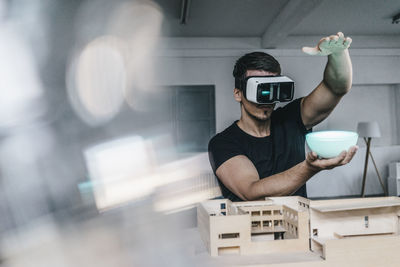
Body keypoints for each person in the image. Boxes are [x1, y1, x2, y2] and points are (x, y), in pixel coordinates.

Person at [208, 32, 358, 201]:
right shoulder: (224, 143)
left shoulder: (292, 119)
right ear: (238, 94)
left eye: (271, 88)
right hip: (250, 227)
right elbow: (251, 191)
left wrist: (337, 54)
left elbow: (335, 88)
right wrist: (309, 167)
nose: (266, 97)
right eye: (259, 89)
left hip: (297, 224)